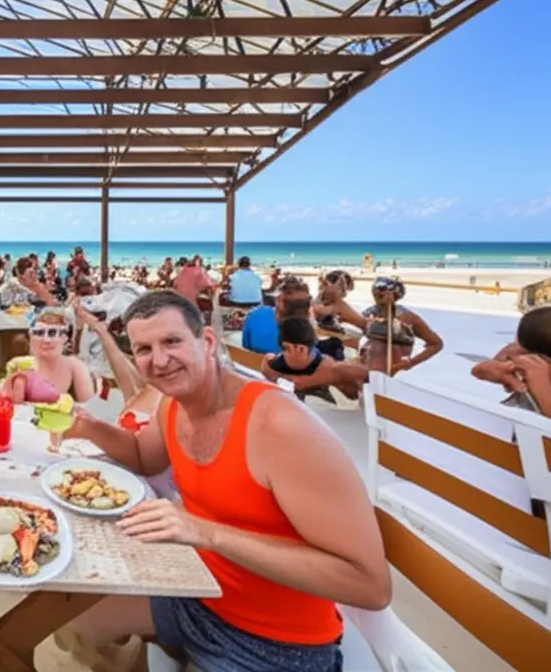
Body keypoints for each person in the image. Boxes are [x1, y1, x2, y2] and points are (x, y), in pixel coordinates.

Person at [54, 291, 391, 671]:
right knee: (69, 618)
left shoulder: (279, 426)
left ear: (208, 342)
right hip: (194, 595)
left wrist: (205, 532)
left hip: (277, 646)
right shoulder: (173, 404)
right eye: (144, 349)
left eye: (172, 341)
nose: (159, 360)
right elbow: (144, 458)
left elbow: (370, 586)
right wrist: (86, 425)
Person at [472, 306, 551, 420]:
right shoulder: (522, 364)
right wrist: (493, 368)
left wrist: (539, 380)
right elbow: (479, 370)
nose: (521, 360)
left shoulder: (541, 379)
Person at [261, 316, 368, 401]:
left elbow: (372, 378)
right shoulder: (270, 367)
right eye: (284, 349)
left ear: (301, 348)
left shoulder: (338, 371)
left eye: (286, 348)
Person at [6, 307, 94, 404]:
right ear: (30, 337)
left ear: (65, 338)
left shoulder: (76, 367)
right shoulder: (20, 366)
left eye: (53, 333)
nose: (46, 340)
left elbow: (89, 409)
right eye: (39, 333)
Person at [360, 277, 443, 375]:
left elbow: (436, 344)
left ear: (394, 294)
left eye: (382, 288)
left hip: (388, 370)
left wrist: (411, 362)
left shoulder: (407, 317)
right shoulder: (369, 313)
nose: (377, 291)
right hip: (367, 367)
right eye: (375, 287)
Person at [241, 275, 311, 354]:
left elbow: (246, 346)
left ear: (277, 300)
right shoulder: (305, 331)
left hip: (255, 361)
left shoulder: (256, 314)